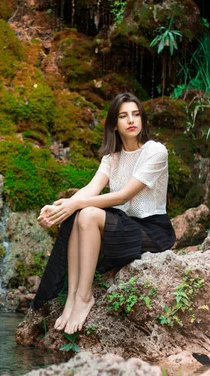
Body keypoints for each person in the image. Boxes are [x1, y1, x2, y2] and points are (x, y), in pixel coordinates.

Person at [31, 92, 176, 335]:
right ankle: (73, 298)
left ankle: (85, 296)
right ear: (114, 124)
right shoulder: (112, 156)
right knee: (79, 214)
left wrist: (74, 205)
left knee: (86, 214)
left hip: (152, 231)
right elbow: (91, 188)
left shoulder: (155, 151)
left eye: (136, 114)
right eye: (123, 116)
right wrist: (59, 207)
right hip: (124, 225)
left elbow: (122, 197)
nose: (131, 120)